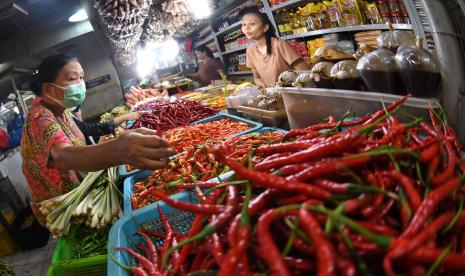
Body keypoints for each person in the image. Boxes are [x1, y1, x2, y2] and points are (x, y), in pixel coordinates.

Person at [22, 54, 175, 224]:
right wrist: (118, 150)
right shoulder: (39, 117)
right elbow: (63, 156)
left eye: (81, 77)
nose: (80, 84)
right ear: (49, 89)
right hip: (61, 205)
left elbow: (86, 129)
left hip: (82, 194)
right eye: (73, 78)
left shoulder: (62, 110)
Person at [242, 8, 309, 86]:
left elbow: (305, 72)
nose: (246, 28)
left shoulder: (279, 44)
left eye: (252, 24)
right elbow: (257, 78)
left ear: (265, 27)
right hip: (273, 96)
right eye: (244, 24)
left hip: (293, 93)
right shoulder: (250, 51)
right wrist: (269, 91)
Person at [69, 105, 141, 145]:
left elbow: (84, 128)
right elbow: (92, 130)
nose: (78, 113)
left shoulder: (70, 117)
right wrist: (125, 117)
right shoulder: (66, 121)